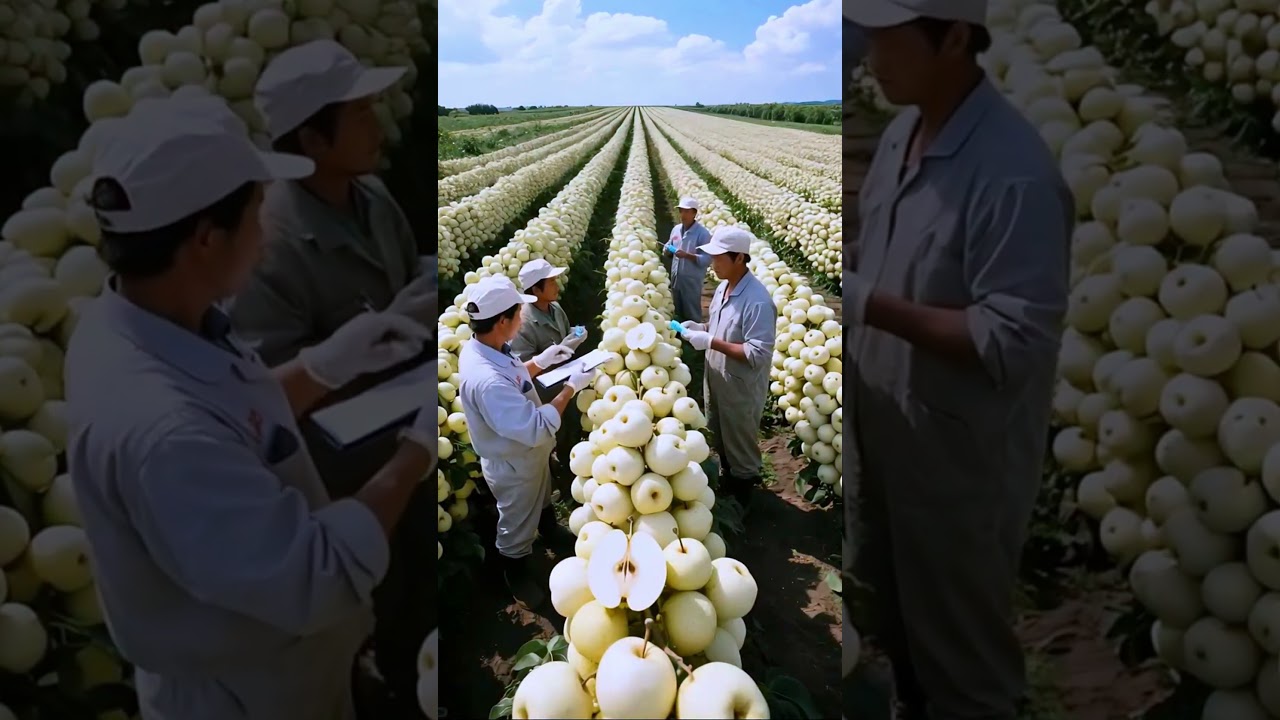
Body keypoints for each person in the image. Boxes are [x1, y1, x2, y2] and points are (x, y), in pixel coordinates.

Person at [64, 99, 438, 720]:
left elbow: (227, 415)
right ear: (206, 239)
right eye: (258, 213)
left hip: (283, 665)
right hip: (252, 696)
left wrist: (321, 366)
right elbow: (319, 572)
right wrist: (417, 451)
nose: (266, 235)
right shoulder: (165, 437)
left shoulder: (127, 323)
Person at [844, 0, 1073, 717]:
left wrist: (869, 304)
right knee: (896, 626)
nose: (871, 57)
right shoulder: (902, 135)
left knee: (963, 663)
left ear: (953, 39)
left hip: (955, 467)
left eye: (888, 40)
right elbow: (883, 253)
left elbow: (1013, 337)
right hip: (886, 440)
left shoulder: (1014, 174)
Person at [229, 39, 436, 366]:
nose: (378, 128)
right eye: (361, 114)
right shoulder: (267, 247)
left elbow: (411, 276)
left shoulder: (373, 196)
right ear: (313, 141)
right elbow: (277, 378)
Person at [458, 276, 596, 605]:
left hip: (528, 456)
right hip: (515, 464)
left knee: (542, 495)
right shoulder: (488, 382)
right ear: (502, 322)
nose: (523, 317)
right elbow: (535, 426)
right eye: (519, 313)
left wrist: (540, 361)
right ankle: (515, 571)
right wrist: (571, 387)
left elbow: (513, 375)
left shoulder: (485, 347)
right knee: (516, 524)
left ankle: (548, 528)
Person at [674, 226, 776, 507]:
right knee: (720, 435)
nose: (713, 263)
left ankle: (744, 500)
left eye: (719, 258)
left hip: (739, 387)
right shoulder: (722, 288)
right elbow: (720, 327)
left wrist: (710, 342)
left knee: (740, 444)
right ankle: (728, 481)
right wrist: (702, 328)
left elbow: (757, 352)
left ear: (739, 258)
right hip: (717, 379)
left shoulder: (757, 301)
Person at [508, 259, 589, 493]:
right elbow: (523, 370)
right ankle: (554, 475)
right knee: (550, 434)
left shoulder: (555, 308)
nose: (557, 285)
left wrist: (575, 336)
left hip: (566, 381)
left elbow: (563, 335)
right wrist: (557, 353)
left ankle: (568, 465)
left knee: (570, 427)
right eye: (551, 281)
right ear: (536, 289)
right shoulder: (523, 323)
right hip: (543, 392)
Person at [663, 196, 712, 323]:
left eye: (686, 211)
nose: (683, 214)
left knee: (692, 312)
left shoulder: (702, 234)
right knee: (677, 310)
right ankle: (679, 333)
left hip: (691, 281)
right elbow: (669, 244)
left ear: (694, 213)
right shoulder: (676, 229)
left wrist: (687, 256)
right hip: (676, 278)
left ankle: (694, 333)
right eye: (681, 211)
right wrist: (667, 249)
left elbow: (707, 259)